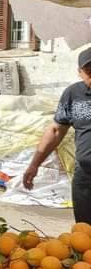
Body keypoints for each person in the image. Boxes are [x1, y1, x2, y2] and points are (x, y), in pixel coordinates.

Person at [24, 47, 91, 224]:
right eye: (89, 71)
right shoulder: (73, 94)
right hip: (85, 178)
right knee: (84, 232)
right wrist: (34, 165)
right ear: (79, 72)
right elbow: (55, 131)